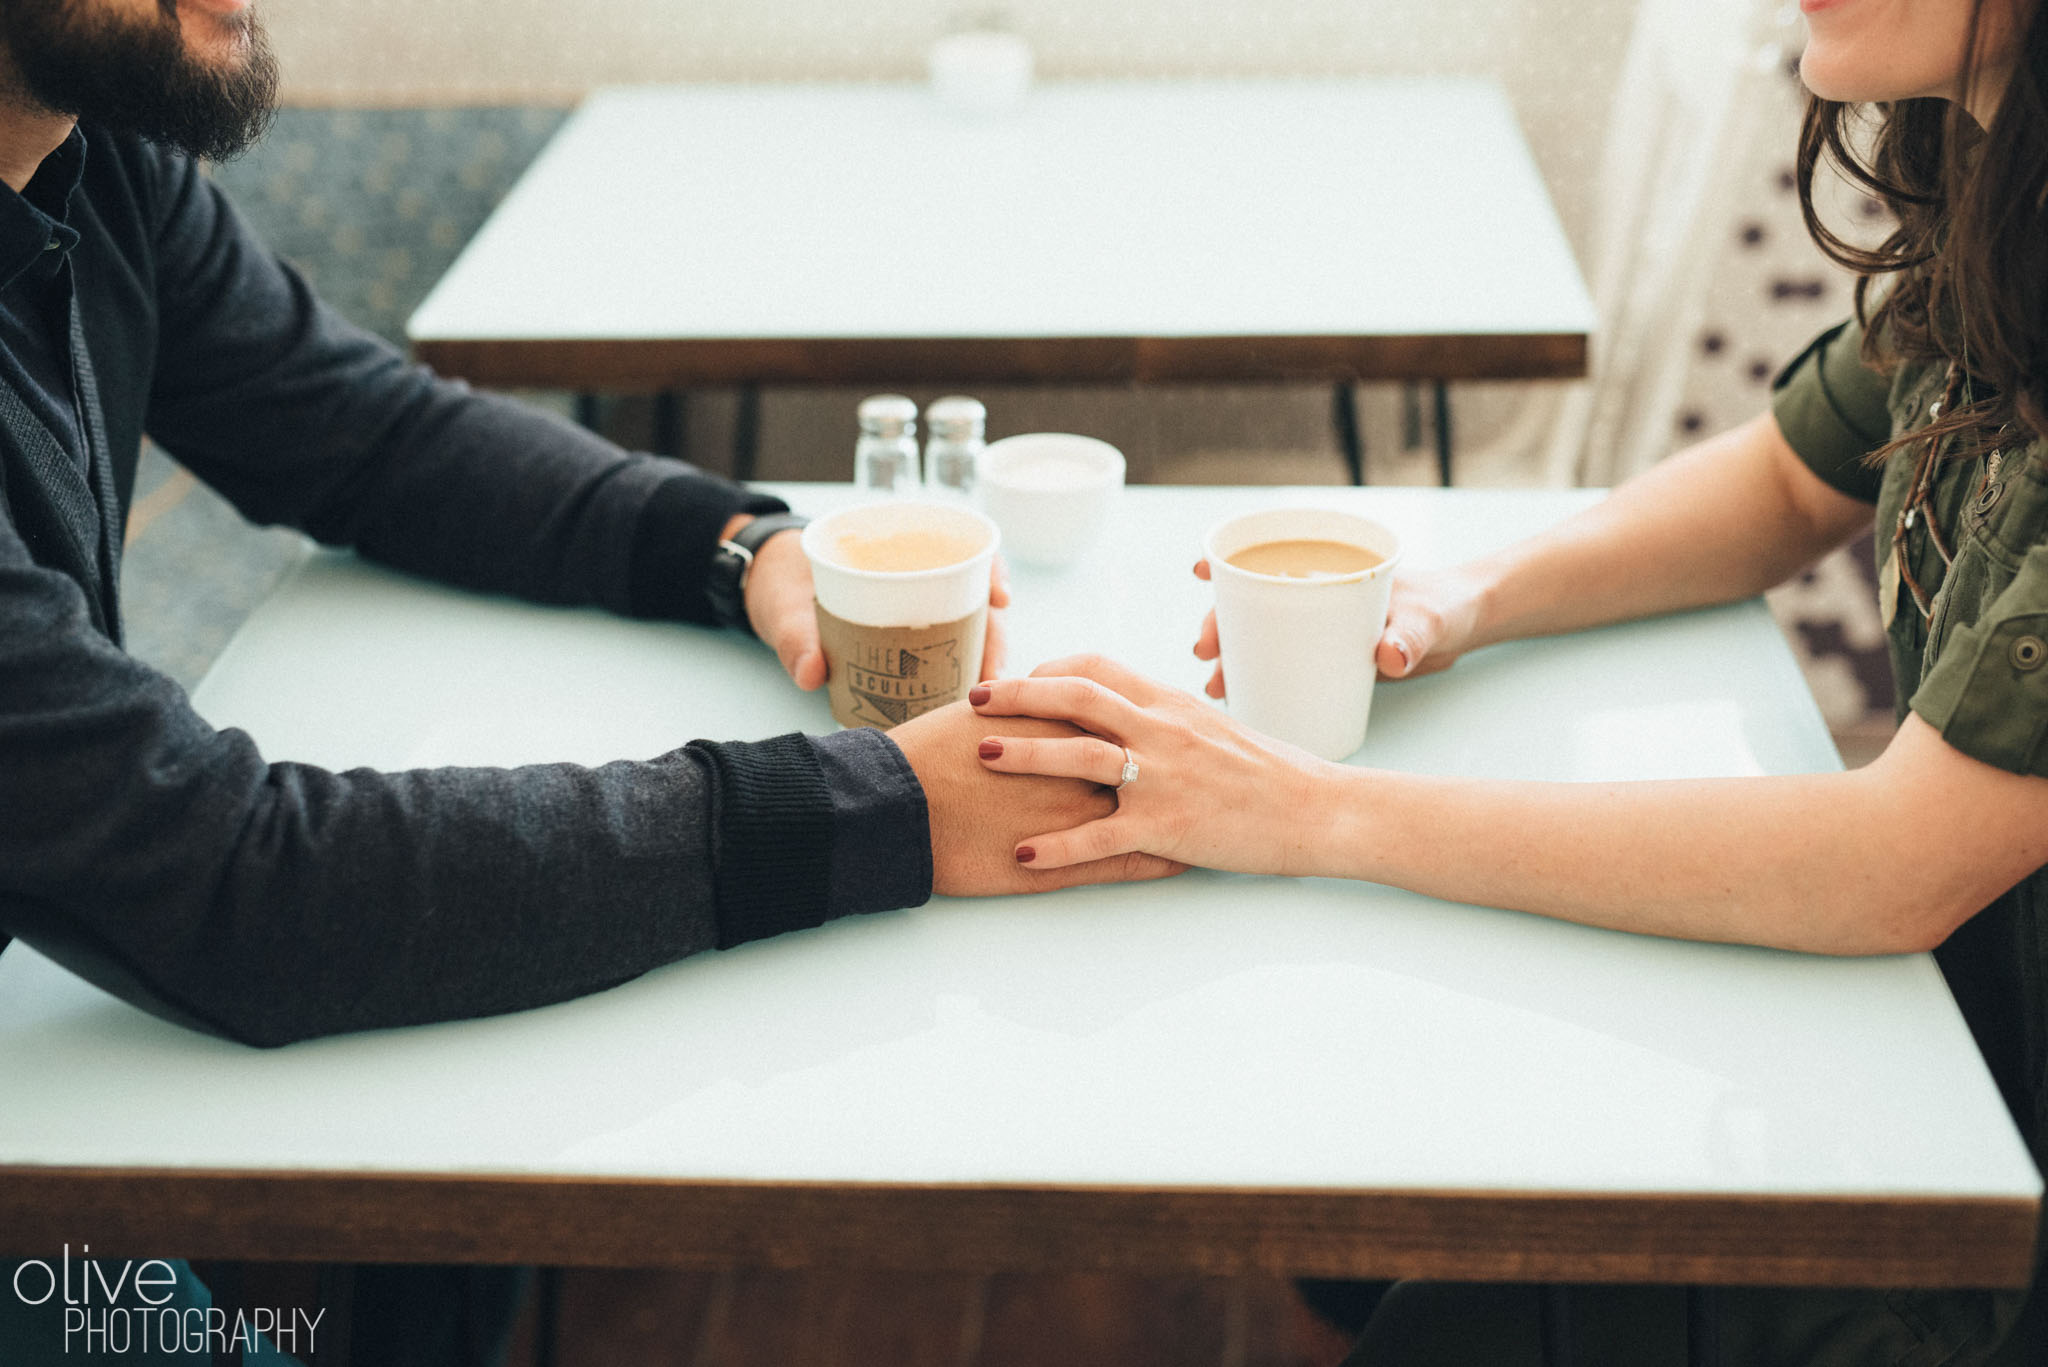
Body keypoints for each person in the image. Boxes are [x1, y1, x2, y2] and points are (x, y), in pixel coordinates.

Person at [0, 1, 1173, 1361]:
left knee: (445, 1212)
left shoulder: (95, 155)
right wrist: (868, 808)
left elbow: (360, 432)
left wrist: (735, 547)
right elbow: (234, 887)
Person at [967, 0, 2048, 1361]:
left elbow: (1898, 863)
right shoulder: (1997, 208)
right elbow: (1787, 476)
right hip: (1944, 1075)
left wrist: (1309, 811)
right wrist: (1463, 599)